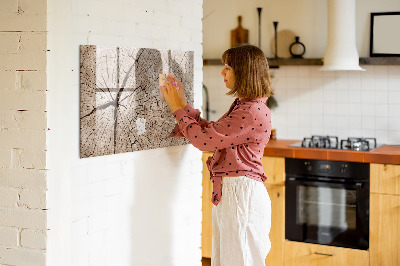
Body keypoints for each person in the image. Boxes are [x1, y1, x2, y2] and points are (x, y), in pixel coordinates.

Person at [161, 44, 273, 266]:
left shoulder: (250, 111)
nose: (222, 72)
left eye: (228, 67)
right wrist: (183, 104)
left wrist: (176, 108)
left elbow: (204, 141)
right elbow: (212, 133)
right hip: (236, 193)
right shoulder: (246, 106)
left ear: (244, 72)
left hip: (241, 195)